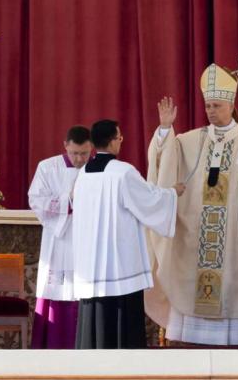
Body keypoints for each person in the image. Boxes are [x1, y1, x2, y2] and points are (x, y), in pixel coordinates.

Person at [145, 64, 238, 345]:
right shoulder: (191, 141)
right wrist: (164, 130)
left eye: (216, 105)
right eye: (207, 105)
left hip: (232, 239)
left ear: (230, 104)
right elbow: (163, 162)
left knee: (230, 299)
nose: (210, 111)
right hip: (195, 239)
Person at [73, 119, 181, 348]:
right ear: (113, 141)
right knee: (122, 323)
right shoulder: (123, 172)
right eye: (119, 137)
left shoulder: (83, 173)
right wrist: (172, 193)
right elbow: (148, 200)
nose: (120, 141)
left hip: (90, 261)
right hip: (118, 262)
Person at [28, 124, 92, 348]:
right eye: (74, 153)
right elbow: (36, 200)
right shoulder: (47, 168)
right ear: (65, 146)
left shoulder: (97, 169)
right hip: (59, 240)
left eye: (84, 153)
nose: (79, 159)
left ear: (91, 147)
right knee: (57, 290)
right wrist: (69, 199)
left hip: (88, 240)